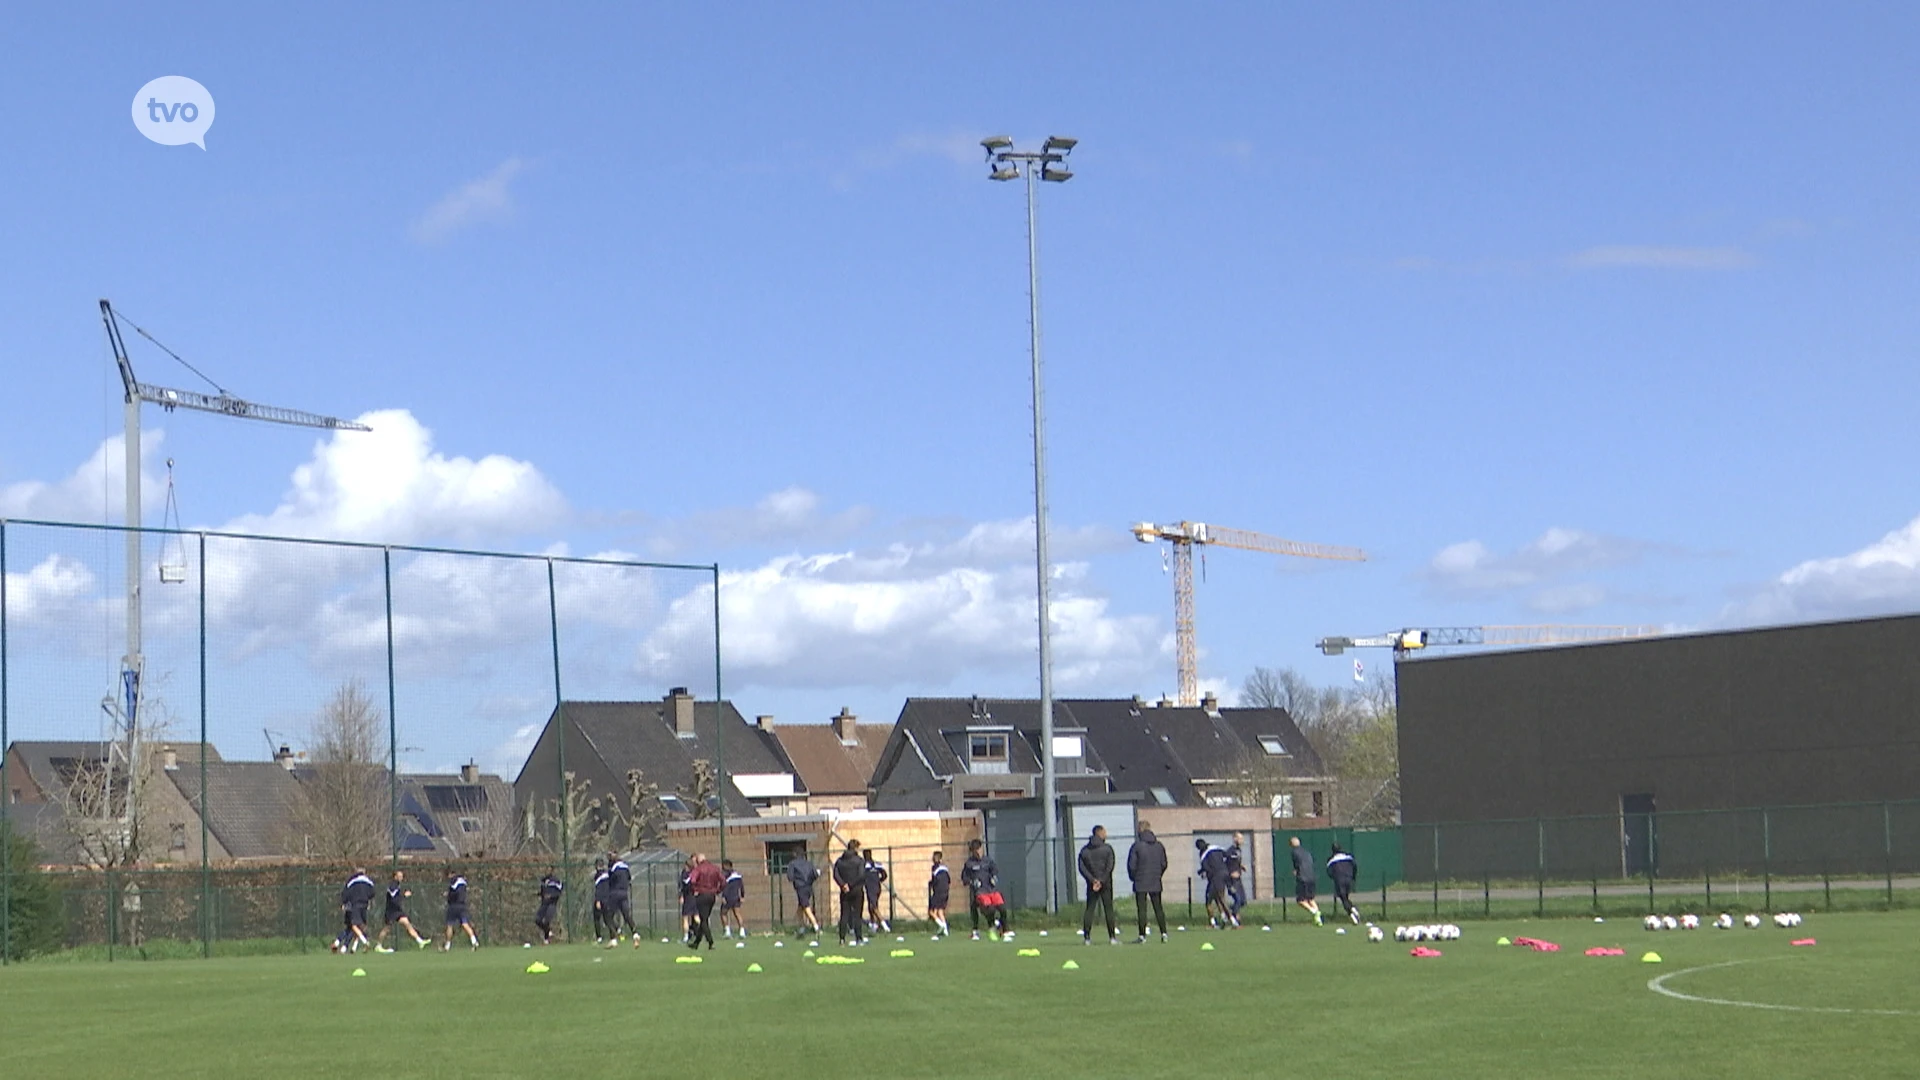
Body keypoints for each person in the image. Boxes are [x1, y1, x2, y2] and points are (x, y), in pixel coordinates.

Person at [1127, 823, 1169, 943]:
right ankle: (1164, 933)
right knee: (1158, 908)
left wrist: (1134, 877)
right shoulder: (1159, 846)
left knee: (1142, 909)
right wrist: (1158, 874)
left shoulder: (1137, 846)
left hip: (1140, 881)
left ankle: (1142, 935)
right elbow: (1164, 863)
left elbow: (1132, 865)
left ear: (1140, 830)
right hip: (1155, 880)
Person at [1077, 825, 1118, 945]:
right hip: (1106, 884)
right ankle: (1112, 938)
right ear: (1099, 833)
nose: (1106, 834)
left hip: (1092, 884)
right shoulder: (1107, 849)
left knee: (1090, 909)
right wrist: (1102, 880)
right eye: (1104, 832)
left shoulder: (1085, 850)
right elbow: (1110, 866)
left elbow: (1081, 867)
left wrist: (1092, 880)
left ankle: (1087, 938)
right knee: (1108, 909)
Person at [961, 838, 1008, 941]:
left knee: (1003, 909)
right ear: (972, 851)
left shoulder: (988, 860)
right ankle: (989, 927)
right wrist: (972, 882)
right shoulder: (969, 864)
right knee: (989, 910)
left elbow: (995, 870)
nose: (978, 852)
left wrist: (994, 877)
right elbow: (964, 878)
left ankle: (1003, 929)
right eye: (975, 850)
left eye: (979, 849)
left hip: (991, 890)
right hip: (980, 892)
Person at [374, 868, 429, 951]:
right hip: (391, 911)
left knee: (407, 923)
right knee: (386, 929)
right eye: (399, 876)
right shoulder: (392, 886)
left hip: (397, 911)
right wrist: (404, 895)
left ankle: (419, 941)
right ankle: (378, 946)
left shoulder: (398, 885)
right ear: (395, 877)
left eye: (402, 876)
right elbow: (394, 899)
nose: (401, 877)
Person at [833, 840, 869, 946]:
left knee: (844, 914)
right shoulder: (859, 861)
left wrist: (843, 885)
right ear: (856, 848)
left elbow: (836, 874)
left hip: (844, 892)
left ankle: (842, 939)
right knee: (857, 915)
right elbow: (861, 875)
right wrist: (851, 885)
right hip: (857, 890)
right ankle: (859, 938)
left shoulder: (840, 861)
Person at [687, 852, 725, 950]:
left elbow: (692, 880)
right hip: (712, 896)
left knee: (703, 920)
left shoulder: (698, 869)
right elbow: (723, 881)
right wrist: (718, 890)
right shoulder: (715, 868)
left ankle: (710, 942)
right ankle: (696, 943)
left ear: (699, 861)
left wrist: (695, 889)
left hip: (702, 895)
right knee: (705, 918)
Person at [1195, 838, 1233, 928]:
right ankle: (1224, 919)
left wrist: (1201, 872)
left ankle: (1219, 922)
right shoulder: (1216, 847)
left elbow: (1206, 868)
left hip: (1215, 878)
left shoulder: (1203, 854)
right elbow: (1228, 855)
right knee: (1218, 898)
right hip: (1225, 874)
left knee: (1210, 901)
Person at [337, 867, 375, 954]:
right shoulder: (369, 881)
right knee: (361, 926)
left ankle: (365, 942)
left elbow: (346, 893)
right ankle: (354, 947)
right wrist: (367, 899)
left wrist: (344, 902)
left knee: (354, 925)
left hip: (355, 905)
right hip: (365, 905)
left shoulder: (352, 881)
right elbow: (373, 893)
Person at [784, 851, 822, 939]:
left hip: (800, 887)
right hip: (809, 887)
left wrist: (796, 880)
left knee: (805, 906)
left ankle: (816, 926)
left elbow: (790, 877)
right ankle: (801, 927)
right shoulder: (809, 863)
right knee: (800, 907)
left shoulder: (792, 864)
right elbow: (815, 874)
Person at [606, 851, 639, 947]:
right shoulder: (625, 867)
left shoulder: (613, 868)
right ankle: (635, 934)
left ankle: (613, 939)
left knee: (608, 916)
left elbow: (611, 880)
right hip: (624, 893)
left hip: (615, 893)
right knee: (627, 915)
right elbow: (629, 879)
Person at [443, 866, 478, 950]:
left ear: (450, 874)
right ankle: (474, 941)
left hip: (453, 906)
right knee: (465, 924)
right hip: (462, 905)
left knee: (449, 925)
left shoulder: (452, 882)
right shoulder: (463, 881)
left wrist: (448, 896)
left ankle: (447, 945)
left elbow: (452, 894)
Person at [1290, 836, 1323, 925]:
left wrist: (1296, 871)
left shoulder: (1294, 852)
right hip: (1311, 877)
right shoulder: (1307, 852)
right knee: (1311, 899)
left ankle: (1314, 912)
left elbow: (1297, 865)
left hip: (1303, 878)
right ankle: (1318, 919)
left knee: (1300, 900)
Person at [1326, 842, 1361, 924]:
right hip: (1349, 879)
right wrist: (1353, 877)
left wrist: (1335, 877)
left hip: (1339, 880)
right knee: (1345, 898)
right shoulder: (1349, 858)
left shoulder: (1331, 860)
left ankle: (1352, 911)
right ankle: (1352, 912)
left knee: (1343, 899)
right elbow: (1355, 867)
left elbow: (1329, 872)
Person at [720, 859, 747, 940]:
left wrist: (723, 896)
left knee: (723, 914)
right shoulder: (738, 875)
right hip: (736, 897)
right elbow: (741, 886)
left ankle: (727, 931)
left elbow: (725, 887)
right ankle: (742, 932)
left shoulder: (725, 876)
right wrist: (742, 896)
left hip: (728, 898)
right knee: (737, 914)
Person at [534, 869, 563, 945]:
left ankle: (546, 940)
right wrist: (539, 894)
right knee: (537, 920)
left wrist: (551, 896)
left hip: (552, 903)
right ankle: (548, 931)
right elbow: (543, 892)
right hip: (544, 904)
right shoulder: (543, 881)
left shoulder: (556, 881)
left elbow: (559, 893)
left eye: (549, 869)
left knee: (546, 921)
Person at [863, 850, 889, 932]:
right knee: (871, 906)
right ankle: (874, 924)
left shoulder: (864, 865)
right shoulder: (877, 864)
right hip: (877, 887)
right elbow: (885, 875)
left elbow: (860, 875)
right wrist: (879, 880)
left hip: (870, 888)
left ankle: (884, 925)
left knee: (873, 907)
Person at [926, 851, 951, 938]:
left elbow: (934, 880)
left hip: (938, 892)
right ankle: (946, 932)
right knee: (940, 911)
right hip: (946, 891)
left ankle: (942, 925)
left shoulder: (934, 868)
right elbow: (949, 880)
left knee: (931, 912)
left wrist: (931, 884)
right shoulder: (945, 868)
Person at [1225, 832, 1249, 922]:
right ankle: (1233, 919)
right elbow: (1225, 864)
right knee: (1238, 899)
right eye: (1240, 838)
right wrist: (1230, 873)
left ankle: (1228, 910)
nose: (1242, 841)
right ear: (1235, 839)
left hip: (1238, 880)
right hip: (1232, 880)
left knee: (1243, 902)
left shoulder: (1238, 850)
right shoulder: (1229, 851)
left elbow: (1236, 862)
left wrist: (1241, 866)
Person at [590, 858, 612, 945]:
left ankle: (599, 937)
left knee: (597, 918)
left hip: (601, 899)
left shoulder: (598, 875)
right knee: (607, 919)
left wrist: (598, 900)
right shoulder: (608, 874)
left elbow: (599, 888)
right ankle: (616, 933)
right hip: (608, 898)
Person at [677, 856, 698, 945]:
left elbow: (681, 886)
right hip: (695, 897)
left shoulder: (685, 875)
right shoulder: (696, 873)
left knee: (685, 918)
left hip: (688, 897)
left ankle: (686, 937)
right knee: (696, 916)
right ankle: (704, 931)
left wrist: (681, 896)